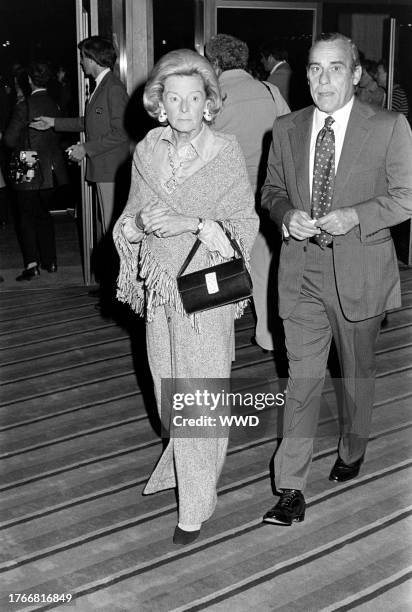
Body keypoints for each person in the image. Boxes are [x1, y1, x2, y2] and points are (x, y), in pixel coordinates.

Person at [261, 32, 412, 526]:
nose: (322, 78)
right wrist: (286, 216)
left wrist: (356, 215)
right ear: (305, 75)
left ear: (354, 74)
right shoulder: (285, 128)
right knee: (301, 381)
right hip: (301, 270)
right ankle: (290, 488)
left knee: (354, 379)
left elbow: (406, 197)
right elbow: (272, 190)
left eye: (334, 68)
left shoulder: (389, 127)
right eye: (314, 68)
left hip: (360, 273)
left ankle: (354, 445)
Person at [113, 49, 258, 544]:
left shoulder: (226, 153)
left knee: (200, 394)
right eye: (173, 98)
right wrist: (132, 227)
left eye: (194, 98)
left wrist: (191, 222)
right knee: (166, 390)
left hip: (205, 292)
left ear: (209, 103)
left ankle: (195, 504)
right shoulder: (148, 151)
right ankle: (183, 466)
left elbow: (243, 224)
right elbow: (128, 218)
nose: (184, 107)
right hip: (159, 288)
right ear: (159, 104)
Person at [205, 33, 290, 352]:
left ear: (213, 63)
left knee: (218, 270)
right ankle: (268, 336)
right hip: (267, 198)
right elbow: (289, 136)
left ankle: (218, 347)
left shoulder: (211, 98)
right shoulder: (269, 91)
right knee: (264, 268)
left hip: (225, 199)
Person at [30, 36, 130, 234]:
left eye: (83, 57)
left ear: (93, 59)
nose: (81, 62)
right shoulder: (102, 85)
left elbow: (122, 132)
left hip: (110, 170)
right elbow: (89, 122)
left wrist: (85, 148)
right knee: (109, 225)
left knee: (113, 229)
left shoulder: (113, 88)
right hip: (104, 169)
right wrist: (53, 122)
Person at [4, 62, 68, 280]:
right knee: (44, 215)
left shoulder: (24, 106)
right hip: (50, 166)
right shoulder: (55, 104)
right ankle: (50, 261)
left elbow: (10, 140)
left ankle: (32, 265)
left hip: (27, 161)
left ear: (29, 80)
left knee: (25, 216)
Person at [260, 42, 293, 107]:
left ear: (270, 58)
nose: (261, 60)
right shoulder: (288, 69)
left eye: (262, 57)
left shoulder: (276, 77)